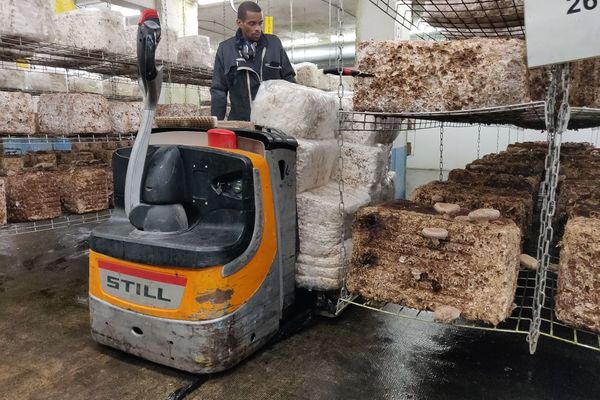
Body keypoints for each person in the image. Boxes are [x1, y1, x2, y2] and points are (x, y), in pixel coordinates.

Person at [210, 1, 296, 121]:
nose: (258, 29)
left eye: (260, 23)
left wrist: (293, 119)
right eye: (252, 24)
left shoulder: (274, 44)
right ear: (239, 23)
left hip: (273, 124)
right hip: (241, 124)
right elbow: (219, 90)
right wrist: (216, 124)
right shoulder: (225, 50)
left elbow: (290, 81)